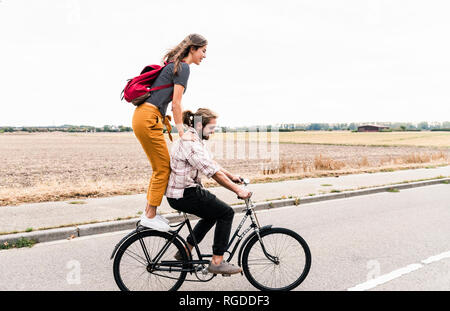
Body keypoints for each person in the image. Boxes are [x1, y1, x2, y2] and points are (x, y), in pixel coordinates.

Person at [132, 34, 208, 231]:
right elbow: (176, 103)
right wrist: (182, 132)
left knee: (161, 167)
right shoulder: (183, 68)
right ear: (193, 49)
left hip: (145, 116)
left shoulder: (175, 65)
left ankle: (149, 213)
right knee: (163, 168)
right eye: (203, 51)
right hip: (149, 117)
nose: (204, 55)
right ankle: (150, 215)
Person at [165, 108, 252, 275]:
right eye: (211, 128)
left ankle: (184, 251)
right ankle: (217, 262)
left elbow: (211, 163)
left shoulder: (195, 140)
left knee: (212, 214)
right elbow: (213, 173)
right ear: (199, 125)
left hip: (184, 192)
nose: (212, 132)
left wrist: (232, 176)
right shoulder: (190, 144)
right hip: (185, 194)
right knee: (226, 212)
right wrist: (238, 190)